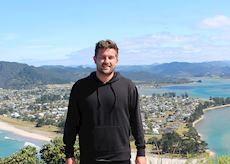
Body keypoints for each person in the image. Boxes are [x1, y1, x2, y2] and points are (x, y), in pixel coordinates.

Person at [63, 39, 146, 164]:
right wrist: (69, 154)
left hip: (121, 158)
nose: (106, 61)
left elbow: (136, 121)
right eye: (102, 57)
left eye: (110, 57)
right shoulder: (80, 88)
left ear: (116, 60)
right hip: (89, 158)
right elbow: (71, 123)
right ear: (94, 59)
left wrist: (141, 152)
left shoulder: (128, 87)